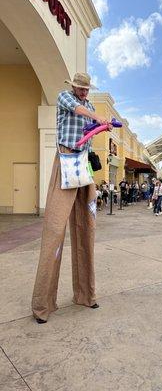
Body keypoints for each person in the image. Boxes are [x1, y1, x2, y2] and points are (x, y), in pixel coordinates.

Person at [31, 73, 113, 324]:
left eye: (87, 90)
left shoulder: (89, 104)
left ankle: (86, 294)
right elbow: (78, 110)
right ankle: (42, 305)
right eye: (82, 88)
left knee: (87, 227)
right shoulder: (65, 97)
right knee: (55, 229)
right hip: (65, 158)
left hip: (83, 164)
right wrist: (98, 117)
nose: (85, 93)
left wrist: (103, 126)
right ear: (74, 87)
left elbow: (89, 125)